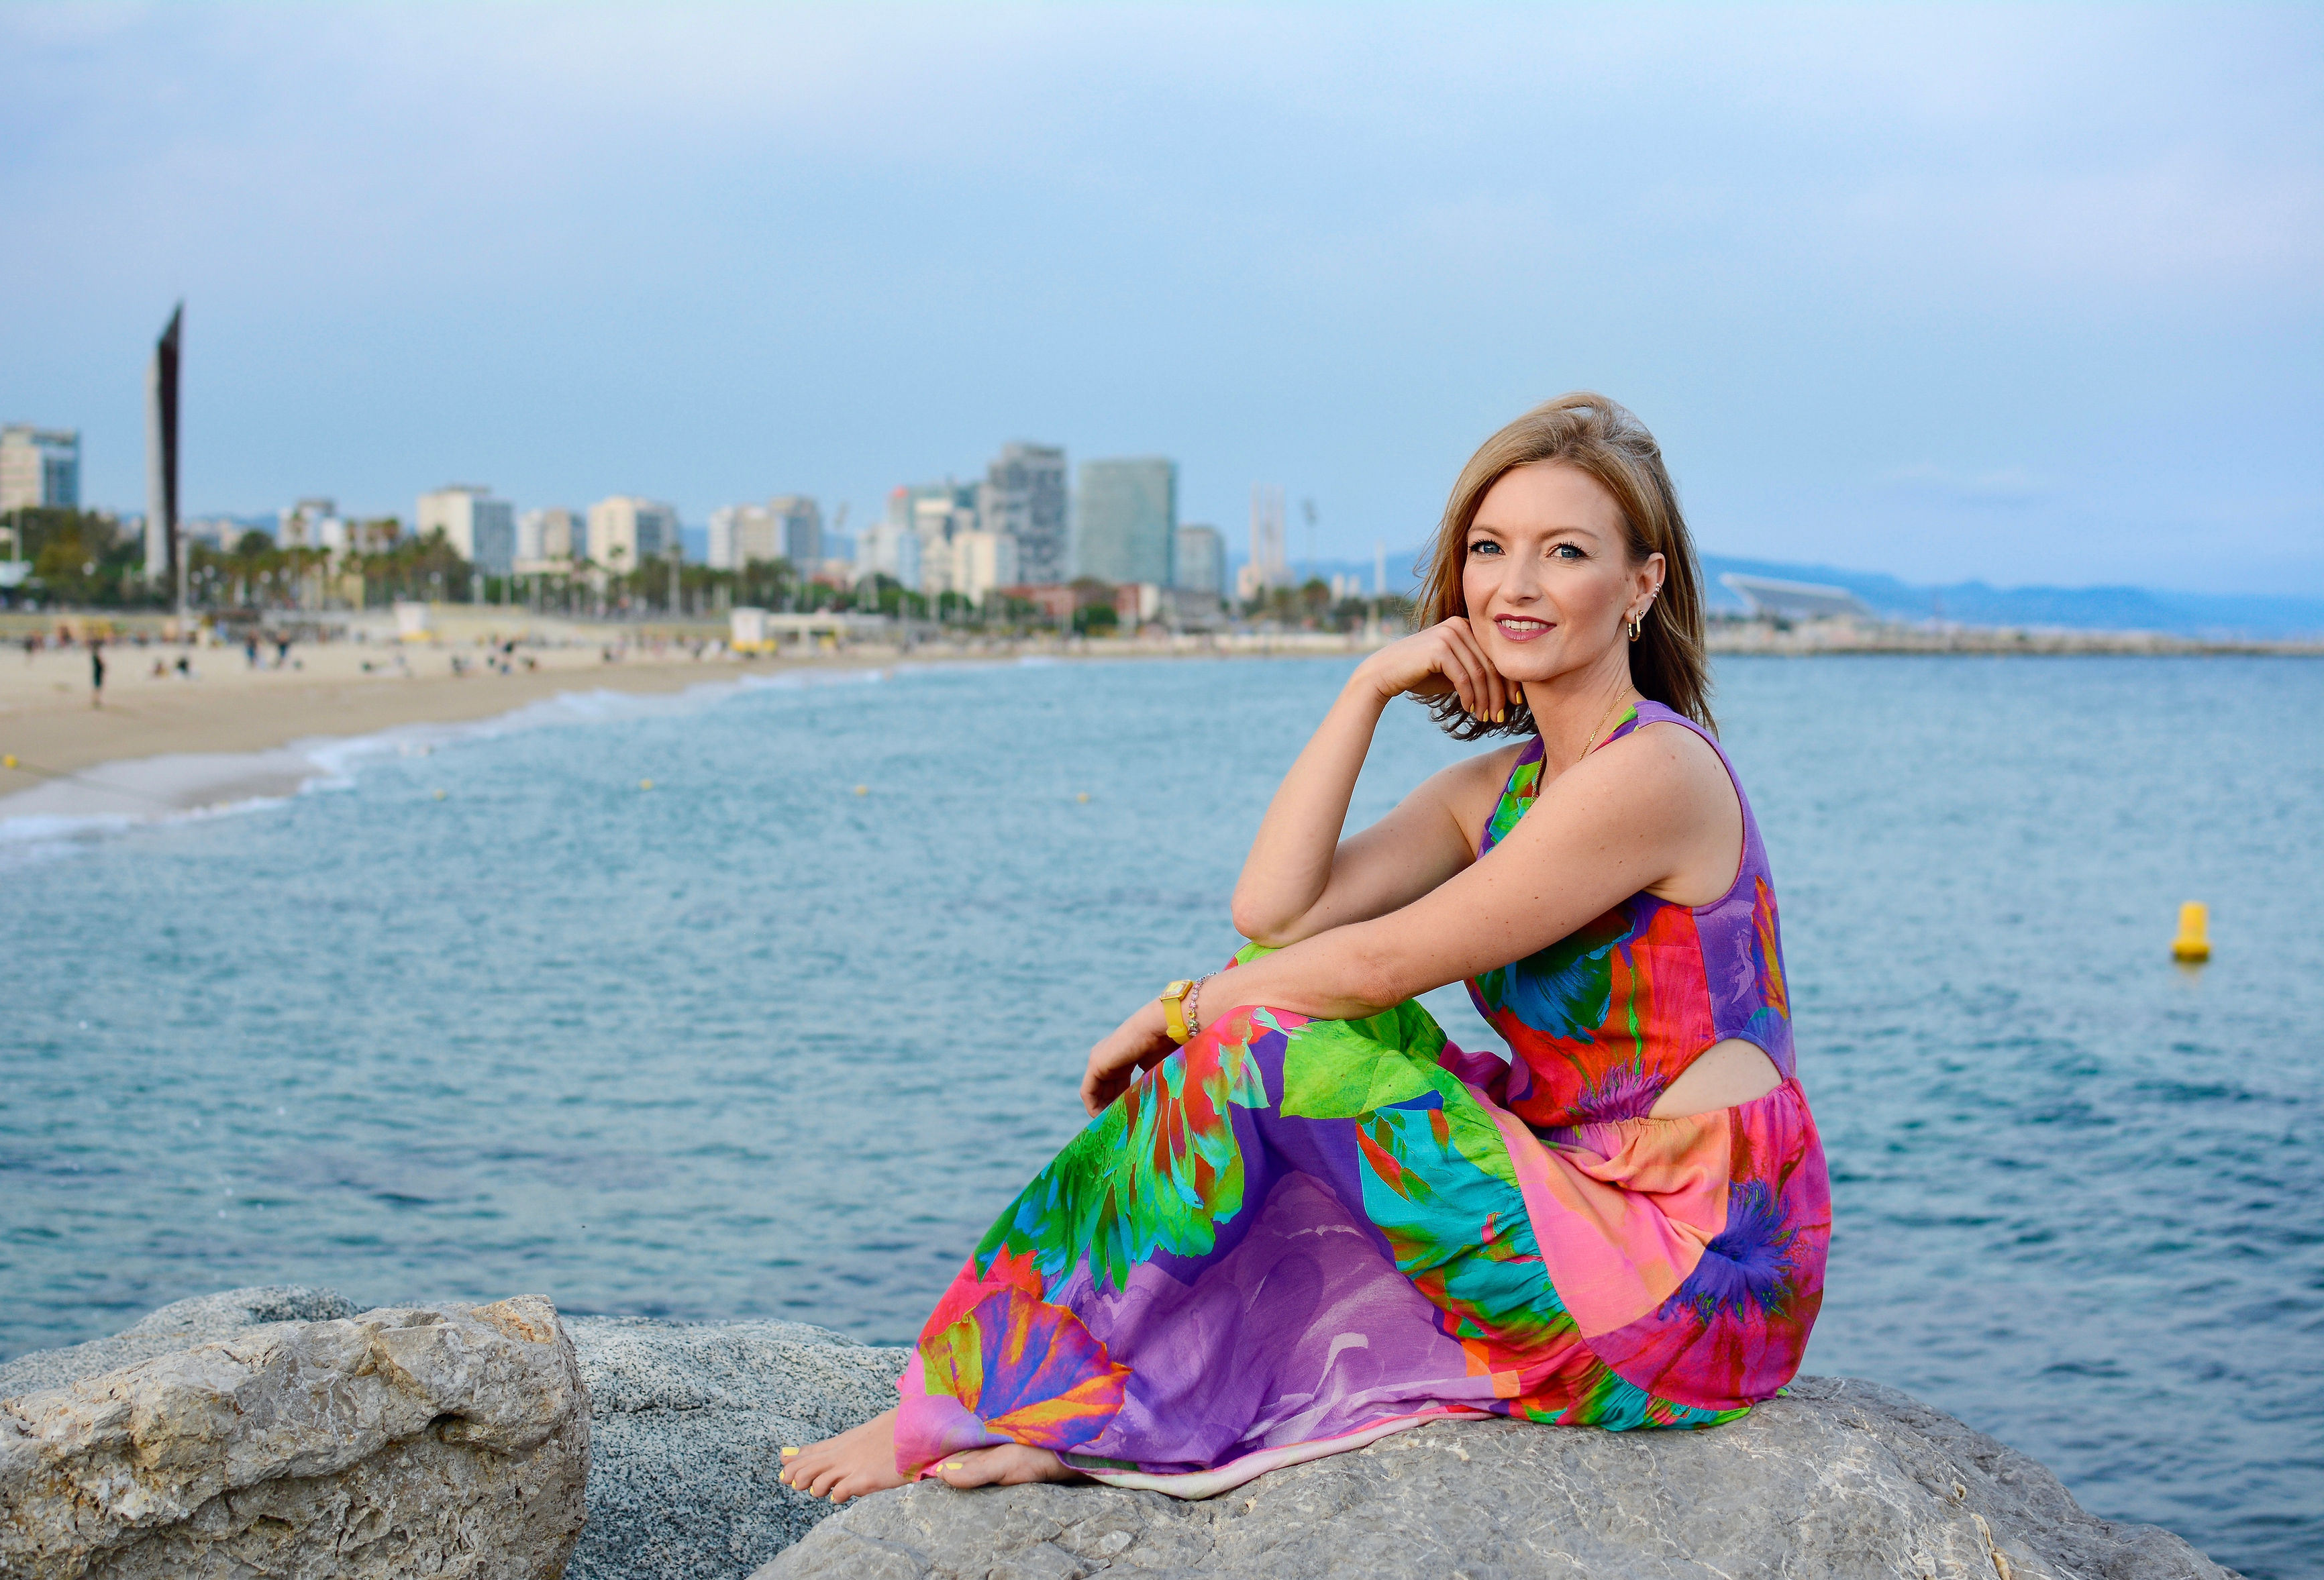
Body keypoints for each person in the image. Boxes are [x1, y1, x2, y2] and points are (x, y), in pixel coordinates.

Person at [782, 393, 1831, 1503]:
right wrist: (1367, 686)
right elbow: (1278, 913)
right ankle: (1079, 1401)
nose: (1515, 584)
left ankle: (978, 1399)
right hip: (1578, 1198)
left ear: (1641, 584)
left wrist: (1181, 1010)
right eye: (1489, 549)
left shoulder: (1656, 770)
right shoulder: (1502, 787)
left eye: (1564, 552)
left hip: (1690, 1277)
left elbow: (1378, 965)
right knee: (1285, 1001)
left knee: (1272, 1039)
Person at [89, 641, 105, 709]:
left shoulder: (94, 656)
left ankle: (95, 699)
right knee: (98, 687)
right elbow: (101, 664)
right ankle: (96, 700)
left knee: (96, 687)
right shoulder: (97, 656)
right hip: (98, 672)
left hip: (96, 672)